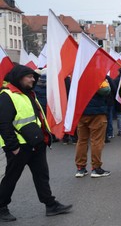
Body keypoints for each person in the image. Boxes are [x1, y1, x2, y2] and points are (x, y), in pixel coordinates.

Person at [0, 65, 72, 222]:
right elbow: (4, 124)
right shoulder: (7, 96)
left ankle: (50, 205)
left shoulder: (27, 94)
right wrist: (14, 147)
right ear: (19, 77)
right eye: (29, 76)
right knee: (12, 178)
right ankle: (1, 206)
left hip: (36, 143)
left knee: (41, 176)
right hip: (19, 146)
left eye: (34, 76)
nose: (33, 79)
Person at [74, 76, 112, 178]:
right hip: (97, 112)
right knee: (97, 141)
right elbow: (105, 90)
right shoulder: (96, 76)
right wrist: (106, 81)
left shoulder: (78, 76)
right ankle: (96, 168)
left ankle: (80, 168)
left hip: (82, 112)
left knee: (82, 140)